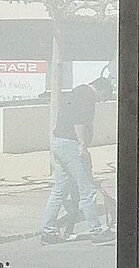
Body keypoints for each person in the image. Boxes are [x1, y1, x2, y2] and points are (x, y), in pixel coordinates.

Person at [41, 73, 111, 241]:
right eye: (104, 96)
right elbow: (79, 122)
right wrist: (82, 146)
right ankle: (96, 231)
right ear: (99, 89)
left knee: (59, 190)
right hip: (71, 145)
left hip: (59, 143)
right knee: (87, 189)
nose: (102, 100)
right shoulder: (87, 96)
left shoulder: (77, 91)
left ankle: (48, 232)